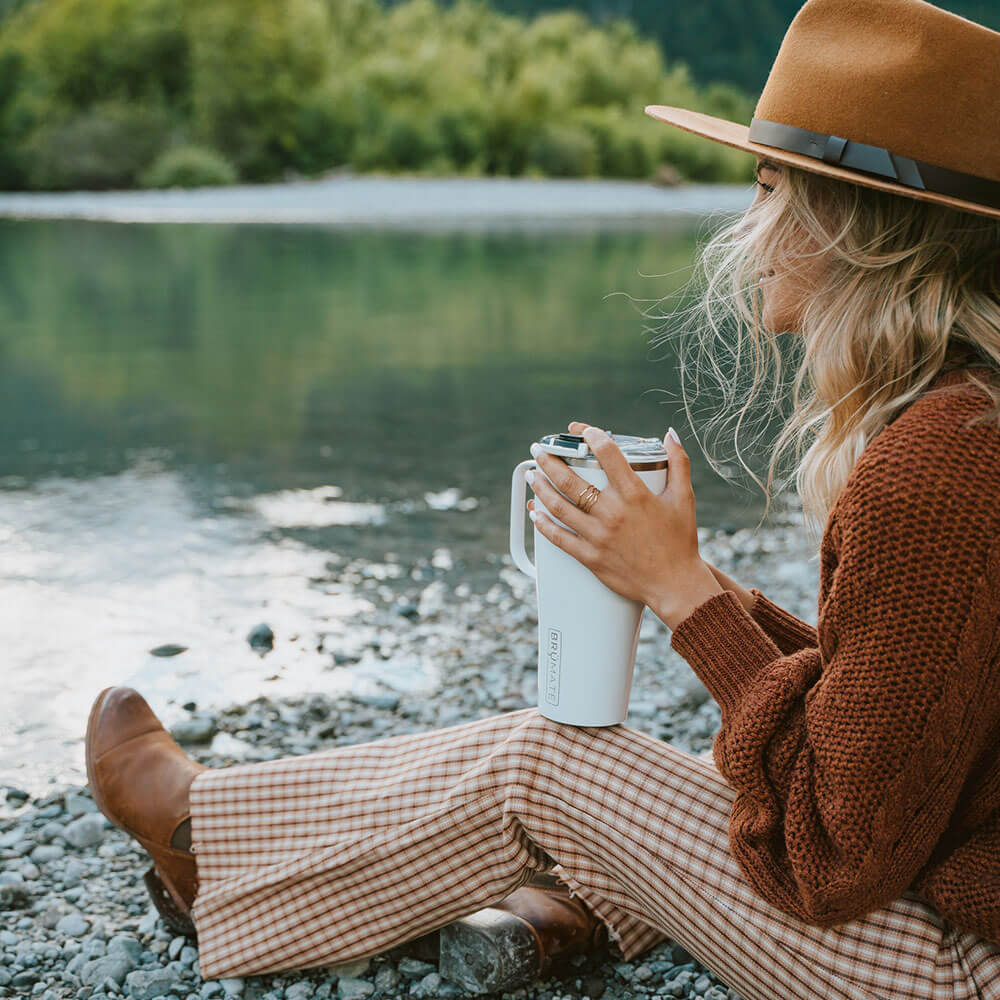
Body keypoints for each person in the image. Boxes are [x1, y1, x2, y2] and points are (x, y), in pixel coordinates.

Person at [85, 0, 1000, 995]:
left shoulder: (939, 468)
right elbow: (904, 724)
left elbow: (835, 854)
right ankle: (559, 904)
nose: (748, 226)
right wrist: (713, 596)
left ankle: (206, 835)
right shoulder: (967, 428)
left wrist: (685, 598)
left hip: (959, 970)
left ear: (855, 224)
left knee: (550, 758)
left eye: (769, 185)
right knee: (695, 772)